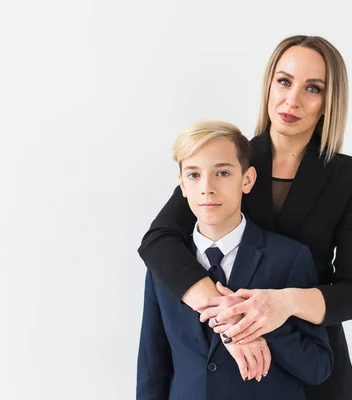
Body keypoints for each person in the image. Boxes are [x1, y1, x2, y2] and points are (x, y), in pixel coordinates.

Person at [138, 35, 352, 400]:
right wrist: (230, 316)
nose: (292, 99)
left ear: (329, 102)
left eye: (312, 88)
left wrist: (285, 303)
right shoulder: (228, 161)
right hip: (224, 367)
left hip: (310, 367)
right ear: (268, 85)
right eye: (284, 81)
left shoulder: (345, 179)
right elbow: (158, 242)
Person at [136, 120, 333, 400]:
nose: (207, 187)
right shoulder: (163, 267)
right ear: (181, 184)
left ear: (247, 180)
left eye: (223, 173)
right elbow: (152, 367)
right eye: (193, 175)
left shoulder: (289, 258)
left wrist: (259, 323)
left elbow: (318, 367)